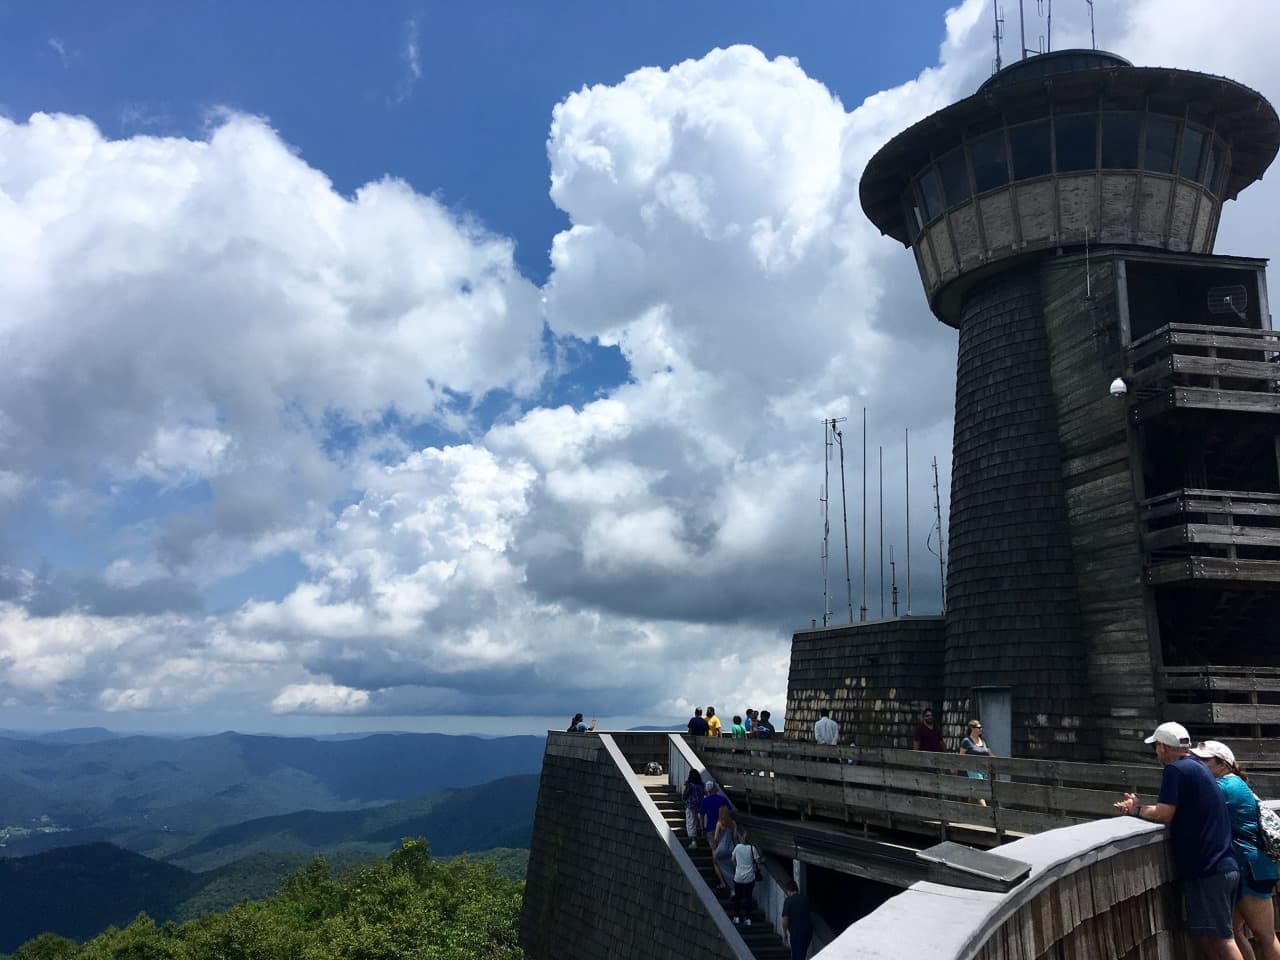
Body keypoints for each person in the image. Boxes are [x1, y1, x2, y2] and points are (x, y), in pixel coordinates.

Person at [1114, 722, 1242, 960]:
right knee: (1209, 936)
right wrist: (1142, 808)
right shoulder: (1197, 767)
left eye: (1156, 747)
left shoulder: (1176, 770)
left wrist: (1135, 811)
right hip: (1218, 865)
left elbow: (1164, 814)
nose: (1156, 752)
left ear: (1162, 747)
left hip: (1209, 869)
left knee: (1223, 939)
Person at [1192, 740, 1280, 960]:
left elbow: (1189, 807)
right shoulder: (1233, 783)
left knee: (1266, 936)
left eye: (1204, 761)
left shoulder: (1225, 787)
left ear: (1222, 764)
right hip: (1245, 867)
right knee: (1233, 932)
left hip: (1251, 869)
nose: (1198, 765)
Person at [730, 830, 760, 926]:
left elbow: (732, 859)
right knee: (748, 897)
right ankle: (748, 918)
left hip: (738, 876)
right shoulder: (752, 848)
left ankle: (736, 917)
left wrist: (737, 866)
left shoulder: (737, 847)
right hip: (749, 877)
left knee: (737, 897)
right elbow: (757, 861)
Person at [959, 719, 992, 806]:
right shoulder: (966, 741)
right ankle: (986, 812)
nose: (981, 729)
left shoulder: (983, 741)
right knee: (979, 790)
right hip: (972, 769)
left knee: (974, 794)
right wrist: (955, 768)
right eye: (979, 727)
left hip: (984, 769)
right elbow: (960, 756)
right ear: (972, 728)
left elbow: (990, 754)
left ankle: (967, 813)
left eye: (981, 727)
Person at [781, 879, 813, 960]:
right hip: (808, 932)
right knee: (802, 955)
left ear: (788, 890)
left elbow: (785, 919)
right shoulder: (805, 899)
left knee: (796, 956)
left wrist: (784, 933)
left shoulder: (788, 901)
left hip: (796, 933)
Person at [699, 780, 731, 855]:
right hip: (723, 828)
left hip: (710, 829)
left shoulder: (705, 801)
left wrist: (702, 828)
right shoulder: (722, 799)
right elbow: (730, 812)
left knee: (714, 849)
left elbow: (701, 816)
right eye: (715, 786)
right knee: (724, 847)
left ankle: (716, 866)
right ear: (713, 788)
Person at [712, 805, 740, 890]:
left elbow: (716, 838)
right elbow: (735, 837)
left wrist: (714, 848)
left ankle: (726, 884)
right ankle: (734, 888)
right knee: (730, 868)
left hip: (721, 849)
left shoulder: (719, 823)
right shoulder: (733, 823)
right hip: (730, 849)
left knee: (719, 866)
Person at [682, 768, 706, 849]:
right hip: (700, 805)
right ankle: (702, 833)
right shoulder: (701, 784)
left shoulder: (688, 783)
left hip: (690, 805)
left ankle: (693, 841)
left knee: (691, 822)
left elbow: (683, 794)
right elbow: (705, 792)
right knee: (699, 821)